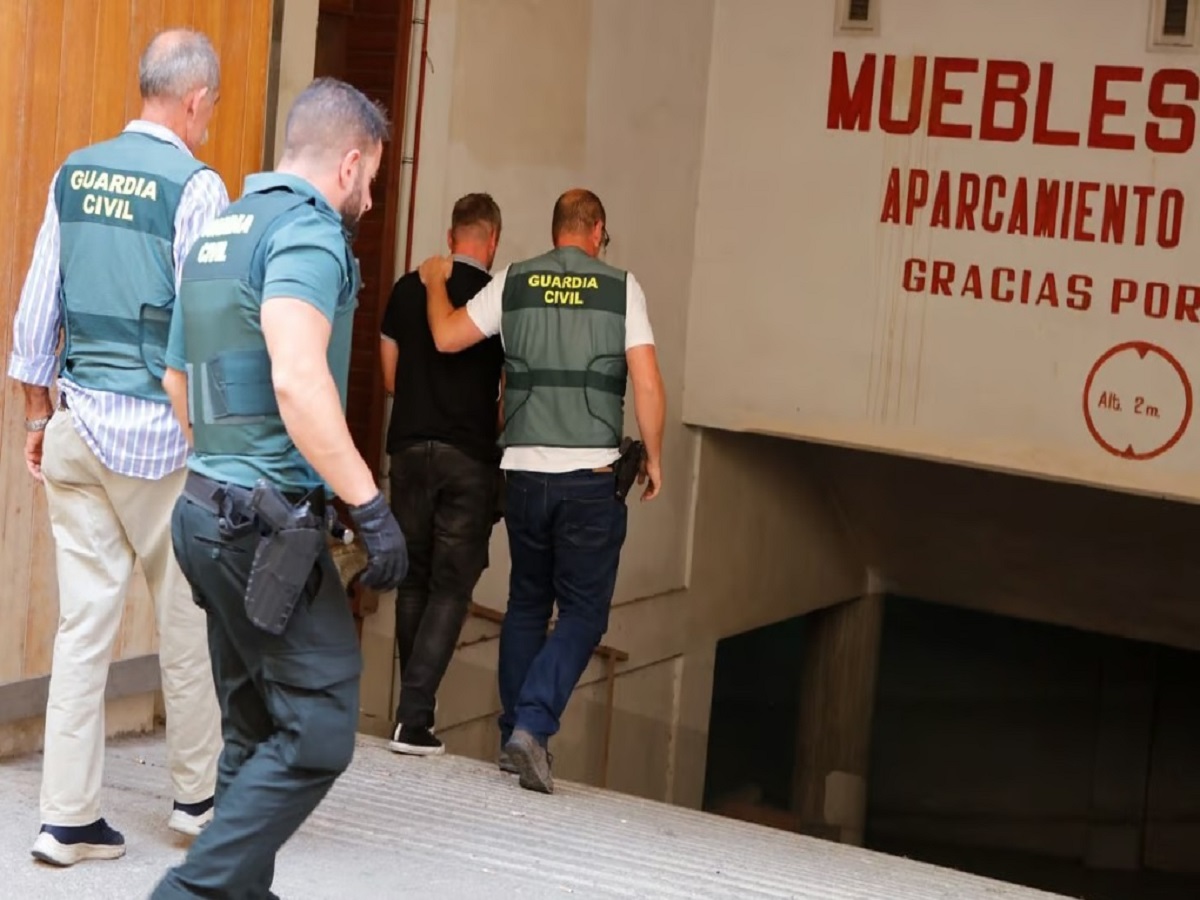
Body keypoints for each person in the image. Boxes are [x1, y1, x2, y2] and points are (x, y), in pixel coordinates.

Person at [149, 76, 406, 899]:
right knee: (321, 725)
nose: (371, 198)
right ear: (350, 164)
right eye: (373, 179)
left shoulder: (222, 230)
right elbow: (297, 375)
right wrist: (369, 505)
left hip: (204, 511)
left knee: (255, 729)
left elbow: (178, 380)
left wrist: (228, 465)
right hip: (260, 529)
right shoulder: (309, 233)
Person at [7, 28, 226, 866]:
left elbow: (37, 311)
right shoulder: (196, 187)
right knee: (188, 621)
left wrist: (38, 418)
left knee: (81, 627)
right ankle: (197, 804)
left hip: (80, 429)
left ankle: (66, 820)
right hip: (164, 445)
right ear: (195, 100)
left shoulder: (74, 172)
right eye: (211, 107)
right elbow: (207, 330)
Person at [418, 188, 666, 794]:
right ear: (597, 230)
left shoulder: (514, 281)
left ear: (555, 230)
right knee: (583, 613)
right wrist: (655, 457)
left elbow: (446, 336)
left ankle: (515, 735)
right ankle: (531, 725)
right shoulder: (621, 288)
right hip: (589, 479)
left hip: (524, 474)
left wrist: (432, 284)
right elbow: (646, 382)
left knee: (527, 603)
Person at [380, 193, 505, 756]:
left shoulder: (408, 288)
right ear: (493, 241)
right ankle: (412, 717)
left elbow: (390, 378)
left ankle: (412, 715)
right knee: (451, 587)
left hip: (408, 449)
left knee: (413, 580)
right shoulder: (497, 298)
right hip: (468, 457)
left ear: (451, 237)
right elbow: (505, 400)